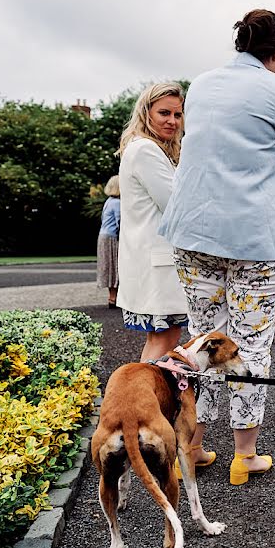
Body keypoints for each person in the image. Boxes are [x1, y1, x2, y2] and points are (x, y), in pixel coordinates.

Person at [158, 9, 275, 485]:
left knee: (203, 339)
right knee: (250, 344)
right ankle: (244, 456)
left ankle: (194, 445)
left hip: (194, 231)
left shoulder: (203, 85)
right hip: (253, 238)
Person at [116, 83, 188, 363]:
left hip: (154, 260)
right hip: (158, 262)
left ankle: (142, 402)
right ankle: (138, 403)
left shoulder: (150, 148)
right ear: (146, 112)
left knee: (163, 340)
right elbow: (174, 205)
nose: (172, 121)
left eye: (178, 114)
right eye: (164, 113)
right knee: (163, 341)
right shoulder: (146, 149)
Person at [96, 175, 121, 309]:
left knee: (108, 266)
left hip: (103, 236)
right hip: (112, 238)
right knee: (115, 266)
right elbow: (120, 223)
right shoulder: (117, 203)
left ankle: (112, 297)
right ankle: (115, 297)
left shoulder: (108, 202)